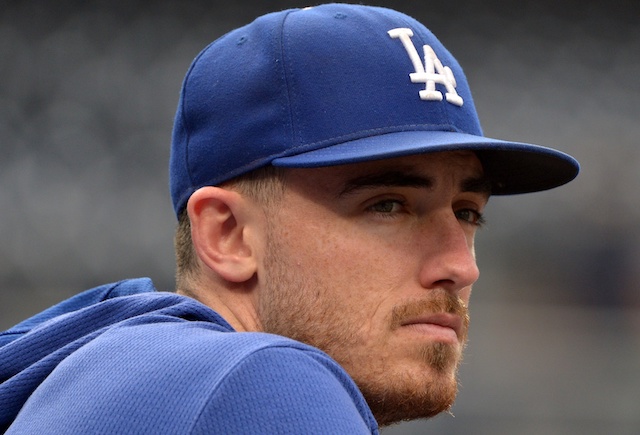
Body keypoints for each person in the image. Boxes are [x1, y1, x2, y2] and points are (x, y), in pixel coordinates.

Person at [0, 3, 579, 433]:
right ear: (227, 235)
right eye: (388, 205)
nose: (460, 266)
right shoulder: (257, 383)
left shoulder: (127, 375)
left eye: (467, 212)